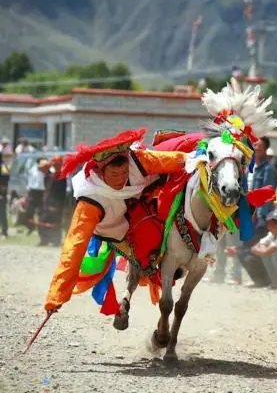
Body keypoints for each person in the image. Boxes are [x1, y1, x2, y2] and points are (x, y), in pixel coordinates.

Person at [43, 129, 187, 325]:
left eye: (123, 172)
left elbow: (177, 159)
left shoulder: (140, 160)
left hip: (140, 208)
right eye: (114, 174)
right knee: (145, 257)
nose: (120, 178)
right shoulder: (89, 203)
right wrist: (55, 297)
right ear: (101, 171)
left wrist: (207, 157)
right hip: (112, 229)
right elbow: (73, 249)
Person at [238, 136, 277, 287]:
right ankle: (259, 280)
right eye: (254, 145)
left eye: (259, 146)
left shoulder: (268, 169)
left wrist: (259, 215)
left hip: (259, 217)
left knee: (256, 247)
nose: (256, 148)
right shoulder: (249, 167)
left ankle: (265, 280)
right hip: (248, 214)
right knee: (247, 247)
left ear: (266, 149)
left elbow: (267, 193)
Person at [38, 156, 67, 247]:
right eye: (54, 164)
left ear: (60, 165)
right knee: (42, 222)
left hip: (56, 205)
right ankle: (45, 240)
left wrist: (56, 206)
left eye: (57, 164)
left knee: (56, 223)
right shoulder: (50, 176)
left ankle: (56, 241)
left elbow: (61, 193)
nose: (55, 165)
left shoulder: (62, 176)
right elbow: (48, 190)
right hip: (48, 204)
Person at [25, 157, 49, 235]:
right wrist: (27, 193)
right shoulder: (33, 169)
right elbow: (29, 181)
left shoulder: (47, 171)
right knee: (29, 211)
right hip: (32, 192)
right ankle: (31, 227)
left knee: (41, 212)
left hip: (41, 192)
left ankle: (41, 229)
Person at [0, 153, 9, 238]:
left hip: (1, 194)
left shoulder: (3, 167)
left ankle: (4, 231)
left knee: (2, 212)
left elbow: (5, 182)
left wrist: (2, 193)